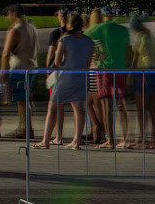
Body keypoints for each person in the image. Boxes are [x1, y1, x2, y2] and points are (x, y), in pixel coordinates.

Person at [34, 13, 94, 150]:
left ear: (69, 24)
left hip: (66, 77)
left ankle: (46, 140)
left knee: (53, 107)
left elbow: (57, 61)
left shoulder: (64, 39)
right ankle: (77, 140)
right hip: (81, 77)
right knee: (80, 109)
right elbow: (88, 62)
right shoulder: (89, 42)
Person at [85, 6, 131, 148]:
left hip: (105, 69)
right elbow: (127, 50)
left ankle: (110, 139)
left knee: (106, 106)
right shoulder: (124, 29)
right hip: (121, 69)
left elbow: (86, 34)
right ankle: (125, 138)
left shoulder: (100, 28)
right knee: (120, 105)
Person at [0, 4, 38, 138]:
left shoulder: (15, 30)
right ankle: (26, 127)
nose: (7, 18)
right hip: (30, 66)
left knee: (21, 101)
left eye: (8, 15)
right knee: (25, 99)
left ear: (13, 13)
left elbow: (6, 52)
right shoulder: (31, 28)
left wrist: (3, 70)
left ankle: (24, 128)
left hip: (18, 68)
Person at [37, 8, 70, 146]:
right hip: (69, 70)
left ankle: (54, 137)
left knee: (54, 105)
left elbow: (51, 54)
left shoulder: (56, 33)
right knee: (62, 106)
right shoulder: (73, 34)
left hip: (56, 71)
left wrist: (47, 71)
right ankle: (60, 136)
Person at [128, 13, 155, 149]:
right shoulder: (152, 36)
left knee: (141, 109)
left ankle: (142, 140)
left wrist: (129, 76)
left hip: (143, 72)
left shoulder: (139, 36)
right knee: (153, 108)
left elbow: (135, 57)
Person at [84, 8, 106, 145]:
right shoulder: (103, 33)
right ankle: (97, 129)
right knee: (94, 103)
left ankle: (98, 129)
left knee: (91, 102)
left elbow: (98, 53)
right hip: (97, 70)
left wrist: (95, 62)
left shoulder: (91, 34)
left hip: (93, 70)